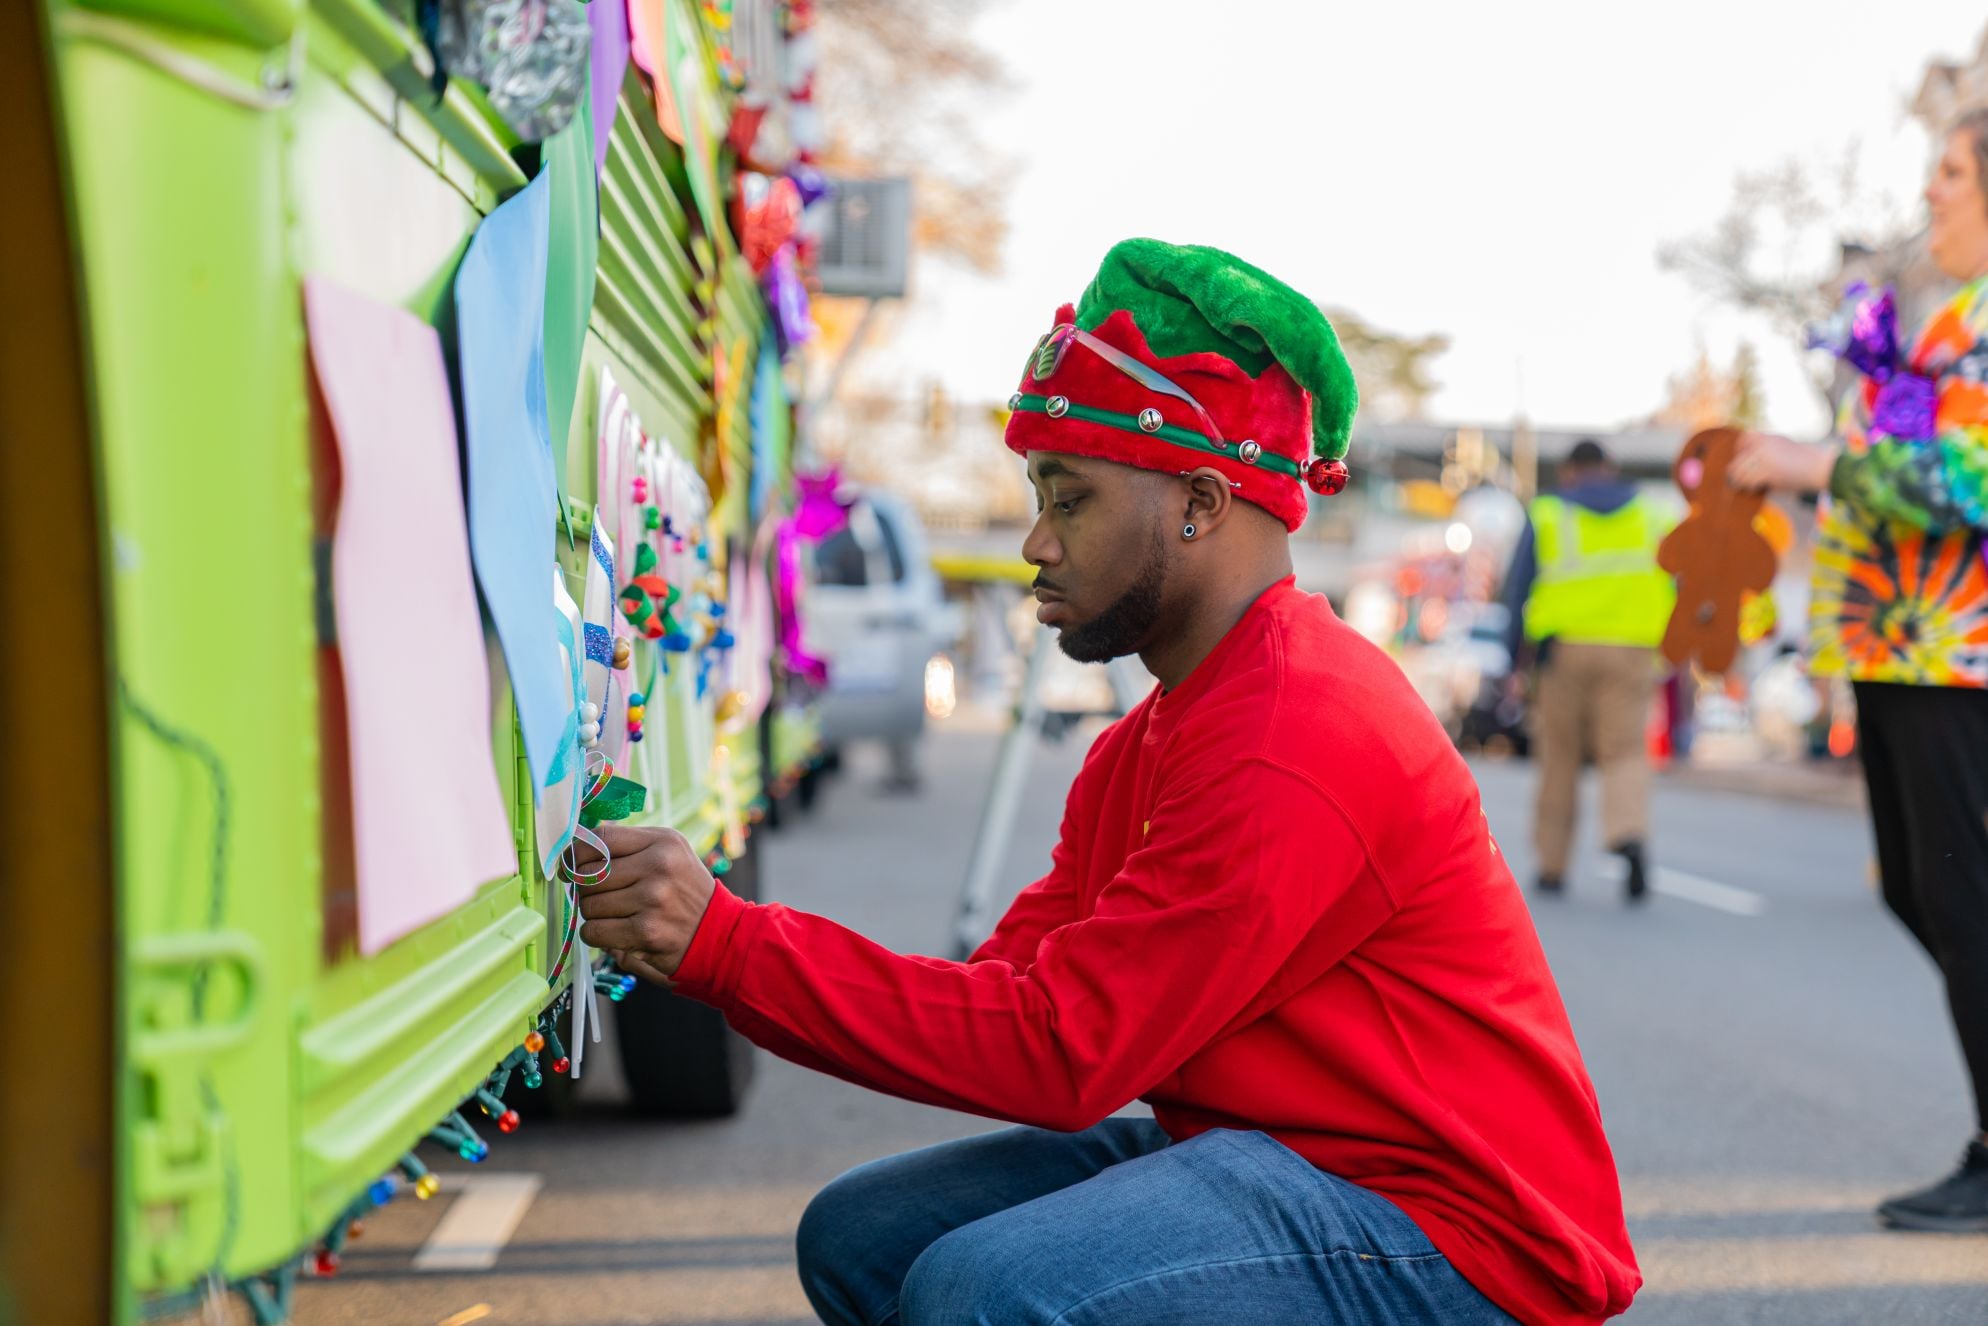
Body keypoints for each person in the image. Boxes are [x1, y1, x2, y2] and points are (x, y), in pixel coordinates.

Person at [578, 240, 1641, 1324]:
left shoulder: (1292, 731)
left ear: (1199, 501)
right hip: (1289, 1157)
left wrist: (724, 943)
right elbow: (1008, 1000)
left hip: (1456, 1237)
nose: (1034, 540)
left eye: (1069, 497)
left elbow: (1059, 1054)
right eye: (1038, 492)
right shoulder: (1152, 739)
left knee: (978, 1291)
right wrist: (729, 950)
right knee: (867, 1240)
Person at [1729, 111, 1988, 1234]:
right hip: (1898, 647)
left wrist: (1814, 459)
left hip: (1952, 655)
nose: (1930, 194)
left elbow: (1965, 482)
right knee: (1923, 890)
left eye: (1951, 171)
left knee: (1964, 899)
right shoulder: (1950, 324)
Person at [1499, 440, 1676, 901]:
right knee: (1624, 752)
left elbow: (1517, 590)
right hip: (1633, 649)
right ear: (1610, 467)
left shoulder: (1547, 512)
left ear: (1570, 471)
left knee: (1559, 758)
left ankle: (1552, 866)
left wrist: (1512, 662)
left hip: (1564, 652)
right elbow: (1681, 577)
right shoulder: (1653, 514)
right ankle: (1628, 834)